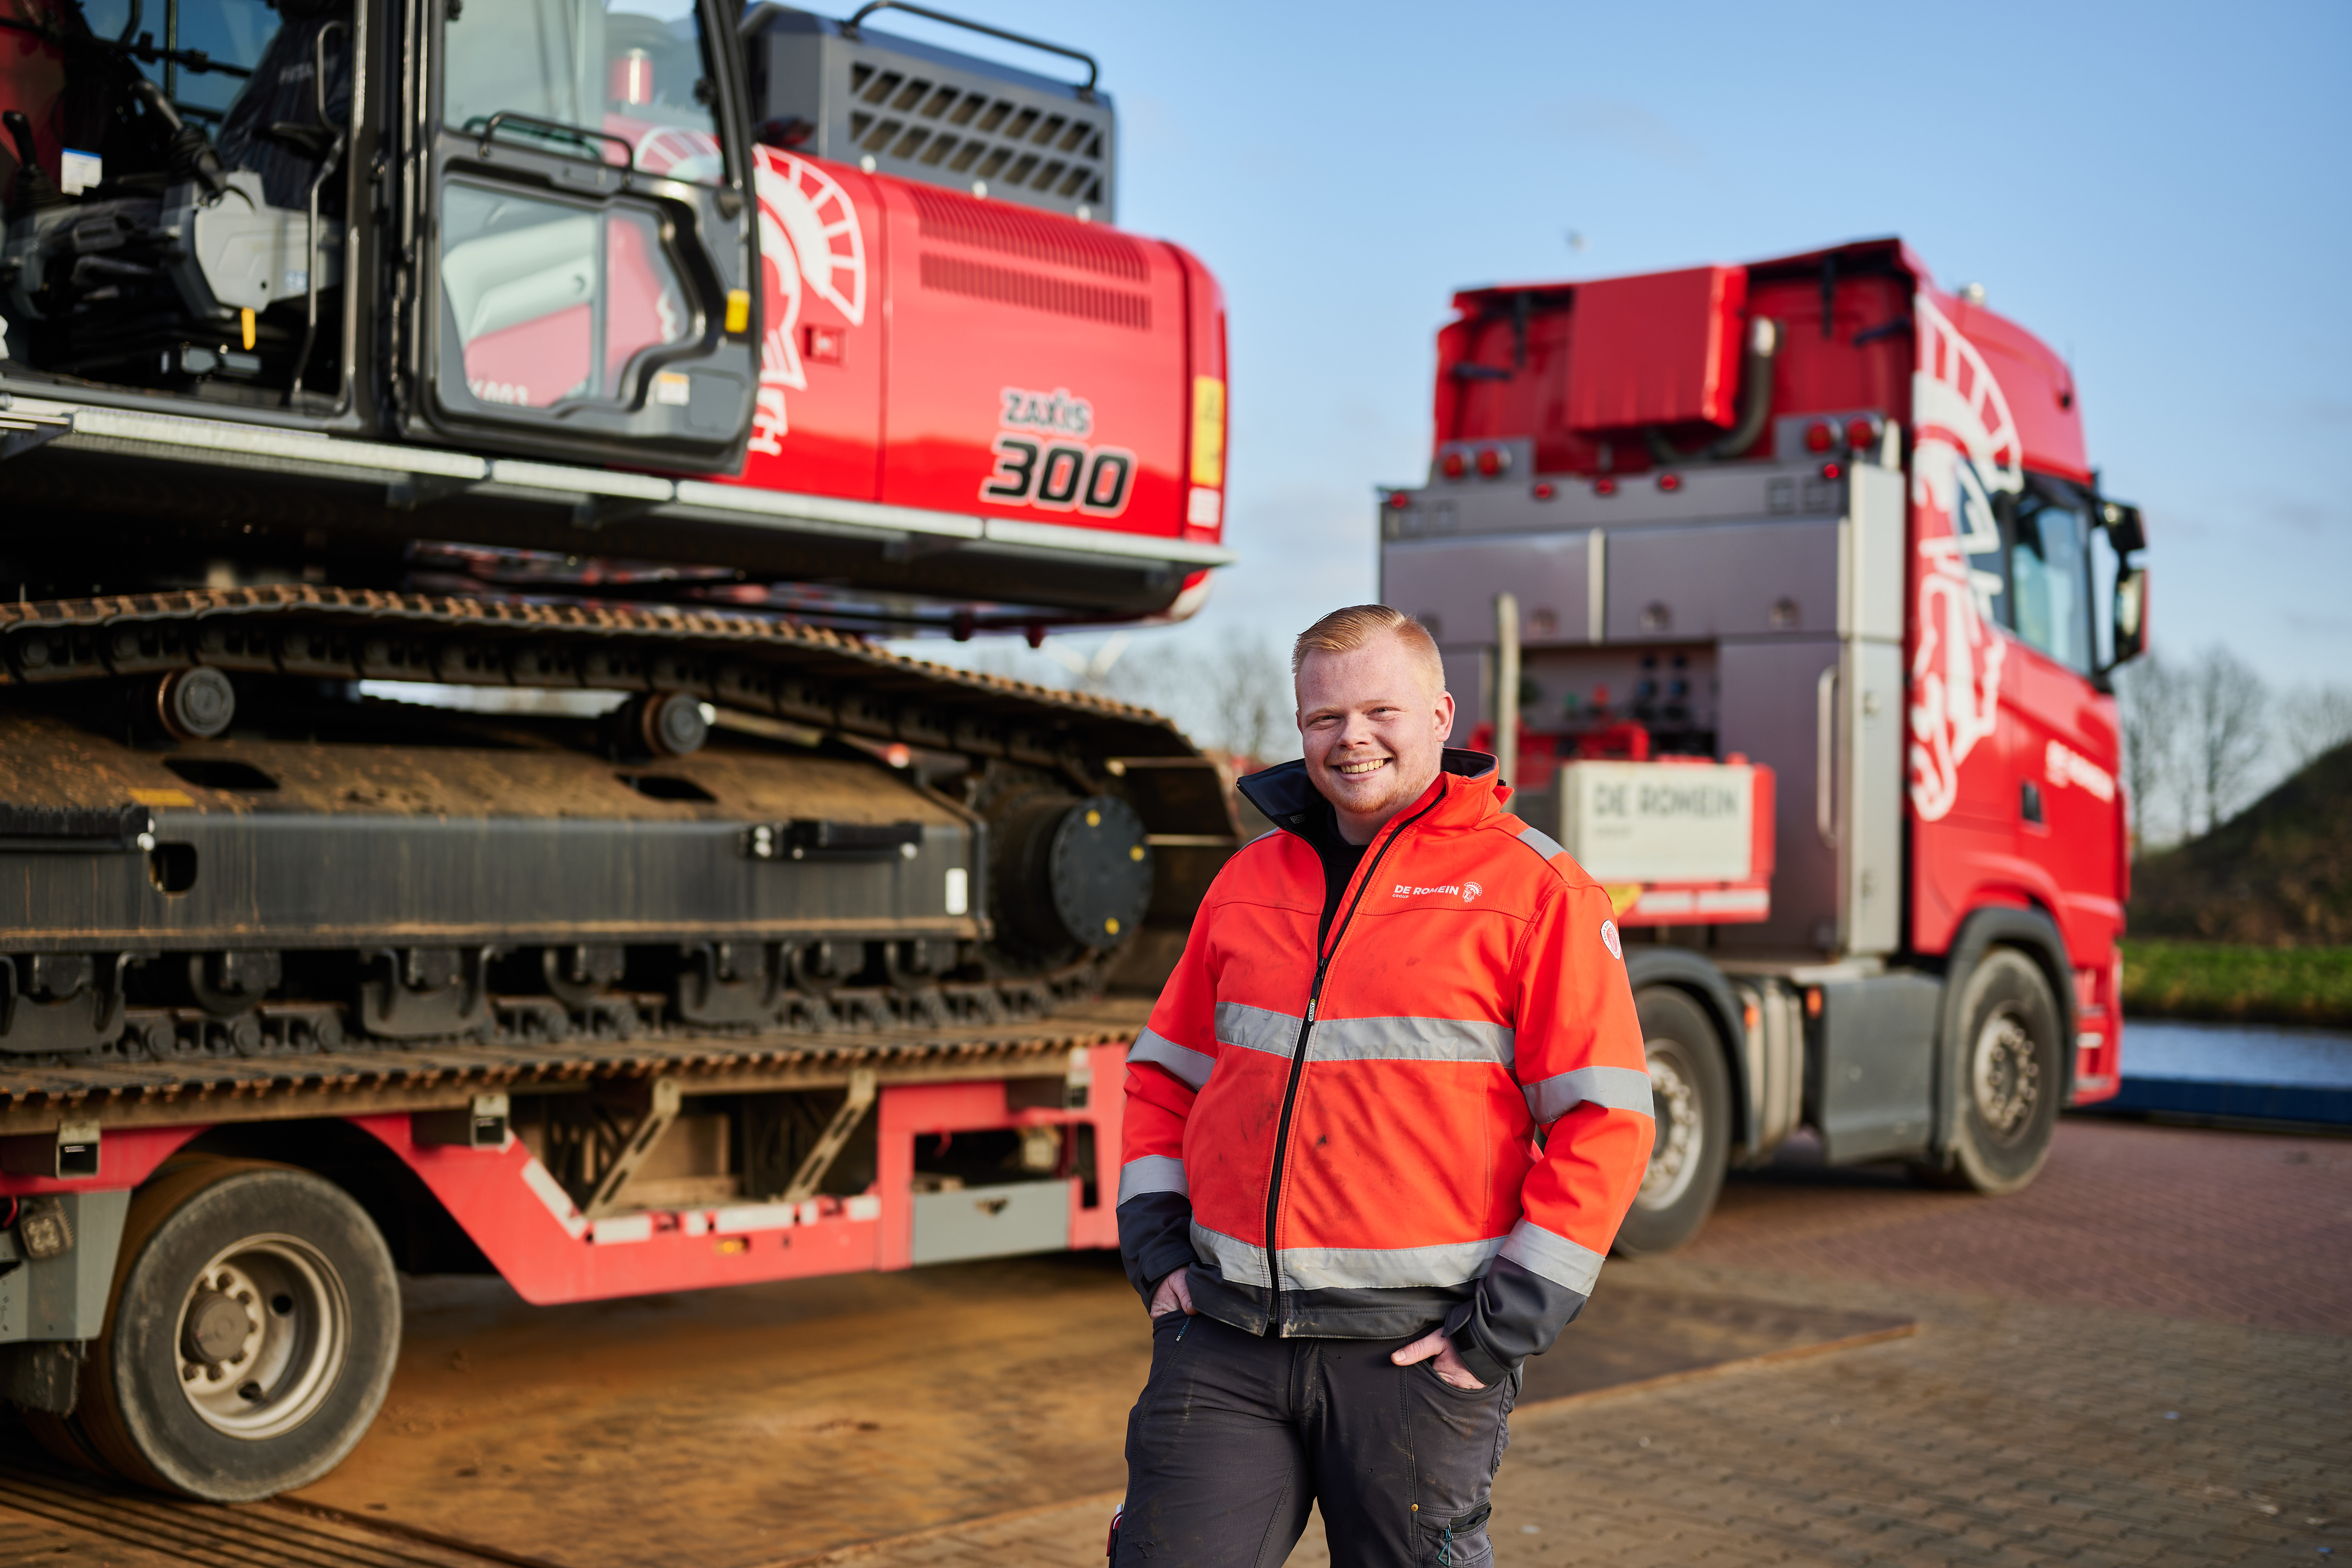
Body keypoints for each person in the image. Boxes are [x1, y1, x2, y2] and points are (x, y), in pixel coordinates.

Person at [1112, 604, 1655, 1567]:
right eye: (1324, 719)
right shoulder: (1245, 883)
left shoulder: (1538, 893)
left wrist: (1500, 1331)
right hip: (1227, 1339)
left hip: (1414, 1354)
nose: (1350, 738)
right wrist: (1158, 1255)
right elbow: (1165, 1079)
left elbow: (1604, 1122)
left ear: (1441, 715)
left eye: (1380, 712)